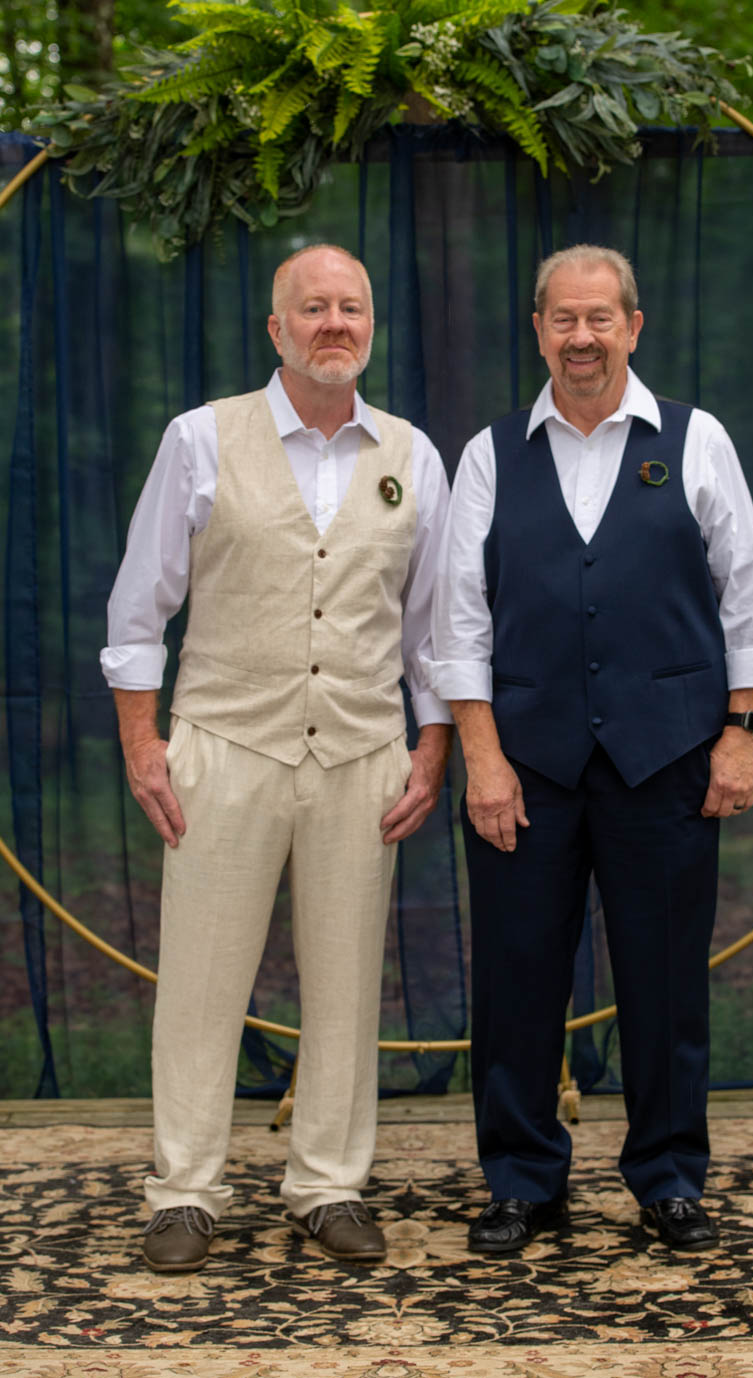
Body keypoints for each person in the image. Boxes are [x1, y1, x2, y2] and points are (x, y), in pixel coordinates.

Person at [428, 244, 753, 1254]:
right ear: (537, 329)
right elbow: (457, 623)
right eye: (562, 319)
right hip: (524, 767)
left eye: (599, 318)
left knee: (664, 979)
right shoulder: (490, 454)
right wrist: (481, 758)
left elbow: (749, 600)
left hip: (667, 758)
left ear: (632, 325)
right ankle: (521, 1181)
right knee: (515, 979)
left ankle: (668, 1175)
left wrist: (741, 736)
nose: (580, 337)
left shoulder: (696, 439)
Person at [101, 244, 452, 1273]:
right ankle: (184, 1191)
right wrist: (142, 740)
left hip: (361, 750)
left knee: (346, 980)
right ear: (276, 328)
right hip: (225, 745)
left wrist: (431, 747)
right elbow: (139, 604)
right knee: (200, 979)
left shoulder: (412, 455)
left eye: (351, 307)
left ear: (371, 325)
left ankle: (328, 1184)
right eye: (313, 307)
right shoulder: (201, 437)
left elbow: (434, 628)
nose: (333, 323)